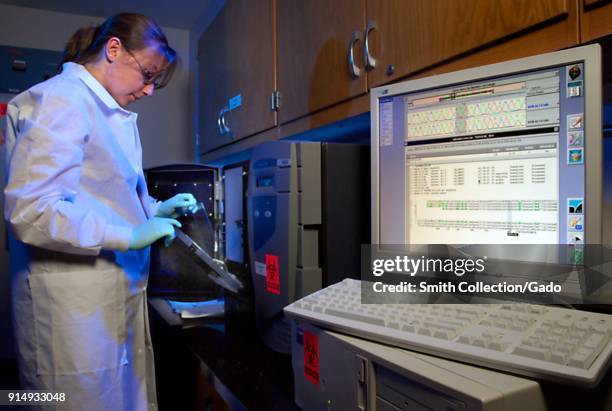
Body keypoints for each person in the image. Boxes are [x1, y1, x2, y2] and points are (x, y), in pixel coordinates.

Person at [4, 13, 195, 410]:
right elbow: (32, 210)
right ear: (113, 50)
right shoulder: (63, 99)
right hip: (69, 317)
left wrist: (155, 210)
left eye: (155, 81)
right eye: (148, 74)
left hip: (104, 306)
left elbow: (104, 195)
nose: (149, 90)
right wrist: (129, 236)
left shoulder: (107, 112)